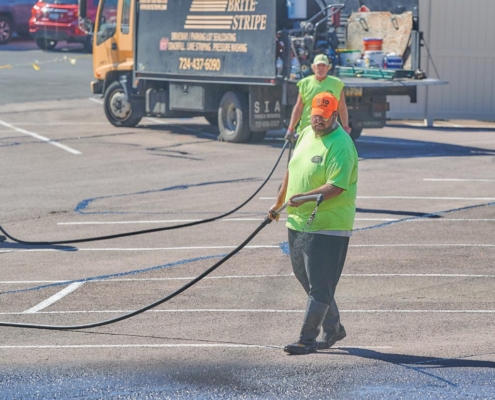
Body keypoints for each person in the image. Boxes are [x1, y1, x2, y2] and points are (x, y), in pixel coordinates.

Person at [268, 92, 358, 355]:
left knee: (320, 284)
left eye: (324, 117)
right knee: (306, 278)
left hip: (328, 225)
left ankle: (307, 340)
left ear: (334, 116)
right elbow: (291, 169)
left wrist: (305, 198)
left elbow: (336, 187)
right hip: (298, 221)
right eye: (315, 115)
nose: (318, 121)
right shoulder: (306, 132)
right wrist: (278, 203)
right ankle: (335, 328)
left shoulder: (341, 145)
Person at [285, 54, 351, 142]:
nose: (321, 68)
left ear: (328, 67)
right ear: (313, 67)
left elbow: (342, 108)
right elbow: (298, 108)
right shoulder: (305, 83)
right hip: (306, 129)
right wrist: (291, 128)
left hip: (328, 130)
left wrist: (345, 127)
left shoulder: (337, 84)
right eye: (318, 65)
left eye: (323, 65)